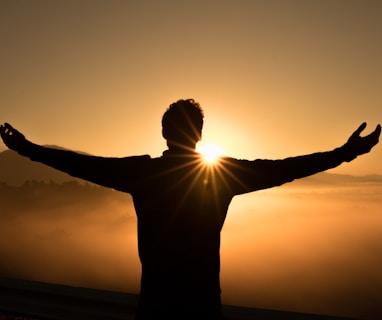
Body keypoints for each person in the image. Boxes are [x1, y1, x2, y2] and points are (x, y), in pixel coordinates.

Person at [0, 99, 380, 320]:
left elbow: (84, 165)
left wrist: (27, 149)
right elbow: (284, 168)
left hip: (155, 307)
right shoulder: (223, 176)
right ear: (199, 135)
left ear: (165, 133)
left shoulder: (143, 173)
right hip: (203, 309)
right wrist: (345, 154)